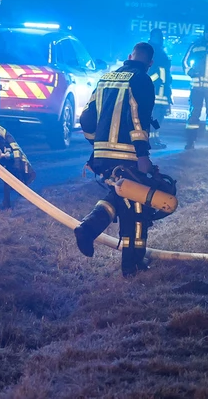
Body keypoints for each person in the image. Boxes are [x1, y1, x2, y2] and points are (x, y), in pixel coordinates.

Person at [73, 42, 158, 276]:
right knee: (137, 209)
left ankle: (88, 229)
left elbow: (86, 118)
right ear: (150, 63)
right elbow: (138, 120)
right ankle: (132, 265)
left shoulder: (105, 78)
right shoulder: (142, 80)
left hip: (102, 154)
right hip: (129, 155)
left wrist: (97, 144)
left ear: (130, 56)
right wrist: (142, 155)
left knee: (120, 198)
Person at [146, 28, 173, 149]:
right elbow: (149, 71)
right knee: (153, 116)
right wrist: (156, 79)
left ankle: (155, 138)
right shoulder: (149, 51)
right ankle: (150, 140)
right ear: (152, 37)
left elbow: (164, 71)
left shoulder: (161, 51)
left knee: (159, 116)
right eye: (157, 37)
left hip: (163, 91)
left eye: (160, 37)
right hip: (153, 91)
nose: (160, 39)